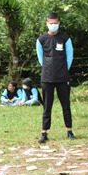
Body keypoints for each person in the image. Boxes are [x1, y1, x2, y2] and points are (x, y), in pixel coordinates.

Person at [36, 12, 75, 143]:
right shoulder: (41, 40)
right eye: (51, 23)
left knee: (66, 105)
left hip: (63, 77)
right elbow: (41, 59)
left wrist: (63, 70)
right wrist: (49, 69)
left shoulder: (65, 38)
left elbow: (69, 57)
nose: (53, 25)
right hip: (47, 77)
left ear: (59, 23)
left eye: (55, 23)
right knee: (47, 106)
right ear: (47, 23)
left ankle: (69, 130)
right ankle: (44, 132)